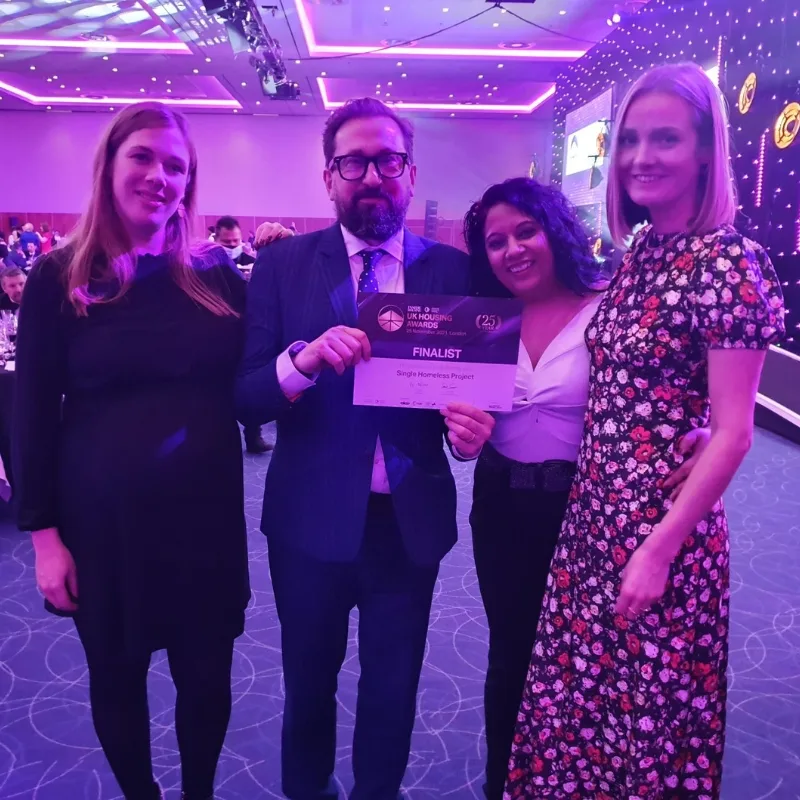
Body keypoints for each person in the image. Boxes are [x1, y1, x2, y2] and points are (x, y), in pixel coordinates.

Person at [505, 62, 785, 800]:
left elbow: (736, 432)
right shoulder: (641, 255)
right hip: (594, 517)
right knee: (584, 708)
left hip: (664, 531)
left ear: (705, 150)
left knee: (649, 719)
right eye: (628, 139)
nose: (639, 156)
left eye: (665, 138)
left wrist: (658, 551)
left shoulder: (729, 261)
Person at [236, 97, 494, 800]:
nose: (372, 175)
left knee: (392, 691)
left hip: (408, 527)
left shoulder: (454, 272)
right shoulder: (283, 266)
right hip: (309, 522)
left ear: (411, 174)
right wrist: (303, 362)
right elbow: (247, 397)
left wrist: (469, 436)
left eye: (388, 161)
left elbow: (468, 392)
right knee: (307, 688)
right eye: (353, 162)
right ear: (329, 177)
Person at [13, 101, 251, 800]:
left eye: (176, 165)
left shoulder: (215, 273)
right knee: (117, 677)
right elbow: (31, 416)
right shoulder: (57, 277)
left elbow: (259, 377)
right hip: (104, 526)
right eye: (142, 156)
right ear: (109, 166)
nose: (159, 176)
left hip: (204, 518)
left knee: (206, 679)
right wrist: (45, 539)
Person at [463, 178, 710, 800]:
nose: (513, 249)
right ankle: (504, 786)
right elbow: (463, 421)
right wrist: (461, 438)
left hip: (589, 510)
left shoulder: (612, 307)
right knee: (510, 654)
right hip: (501, 503)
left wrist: (706, 428)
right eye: (496, 241)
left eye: (526, 231)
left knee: (587, 662)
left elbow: (681, 376)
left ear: (555, 230)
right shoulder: (483, 319)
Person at [215, 215, 273, 454]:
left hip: (247, 331)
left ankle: (253, 436)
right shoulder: (207, 266)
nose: (232, 246)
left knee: (250, 383)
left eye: (235, 242)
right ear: (216, 239)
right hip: (219, 334)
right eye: (226, 242)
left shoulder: (253, 260)